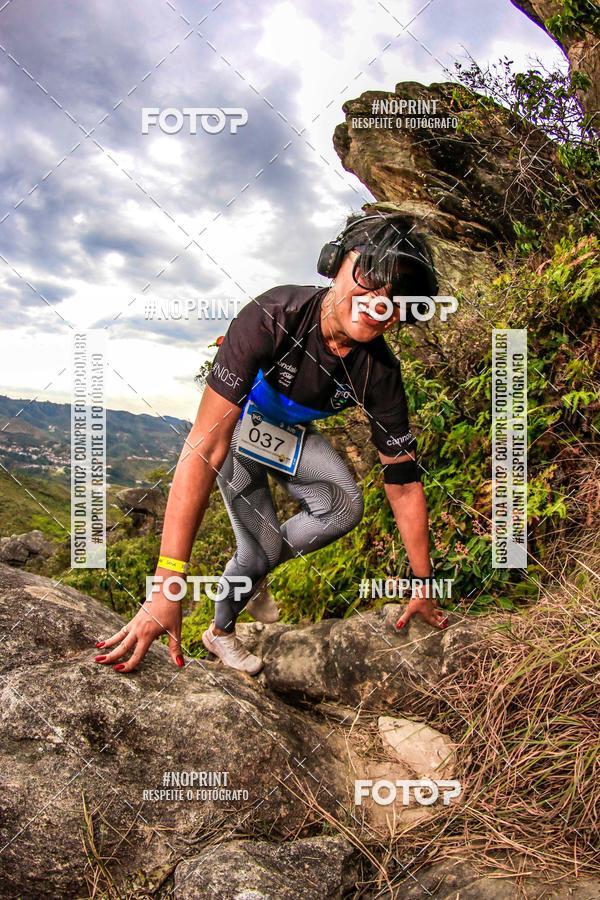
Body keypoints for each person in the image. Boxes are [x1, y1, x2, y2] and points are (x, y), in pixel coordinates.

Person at [94, 210, 448, 675]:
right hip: (242, 428)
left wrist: (423, 584)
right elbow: (205, 447)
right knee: (256, 551)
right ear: (334, 263)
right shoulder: (274, 316)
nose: (380, 302)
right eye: (369, 275)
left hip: (290, 434)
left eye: (398, 296)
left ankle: (251, 571)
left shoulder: (379, 372)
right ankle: (222, 631)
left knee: (343, 505)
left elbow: (403, 483)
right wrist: (166, 586)